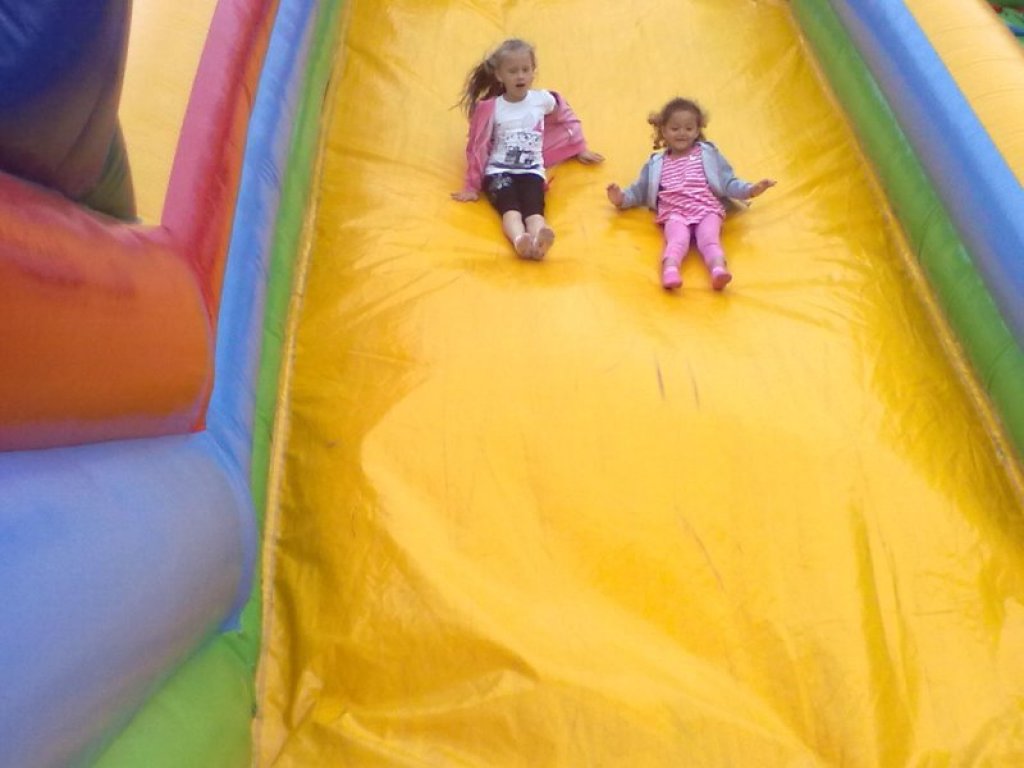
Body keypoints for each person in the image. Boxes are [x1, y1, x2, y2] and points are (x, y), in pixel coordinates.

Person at [451, 38, 604, 260]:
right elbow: (477, 146)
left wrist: (579, 146)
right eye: (513, 71)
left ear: (533, 72)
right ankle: (519, 240)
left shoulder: (543, 100)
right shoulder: (492, 108)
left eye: (525, 70)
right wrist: (472, 186)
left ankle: (539, 242)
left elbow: (566, 117)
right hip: (499, 172)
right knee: (511, 210)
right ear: (499, 76)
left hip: (532, 172)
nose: (520, 76)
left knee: (535, 213)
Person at [606, 97, 775, 290]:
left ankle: (718, 271)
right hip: (674, 213)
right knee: (677, 241)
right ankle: (670, 272)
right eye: (675, 128)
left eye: (688, 128)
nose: (682, 133)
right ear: (663, 131)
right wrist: (620, 198)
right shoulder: (656, 163)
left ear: (697, 131)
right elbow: (639, 190)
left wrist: (750, 190)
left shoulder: (707, 154)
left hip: (706, 209)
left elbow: (728, 181)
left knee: (709, 239)